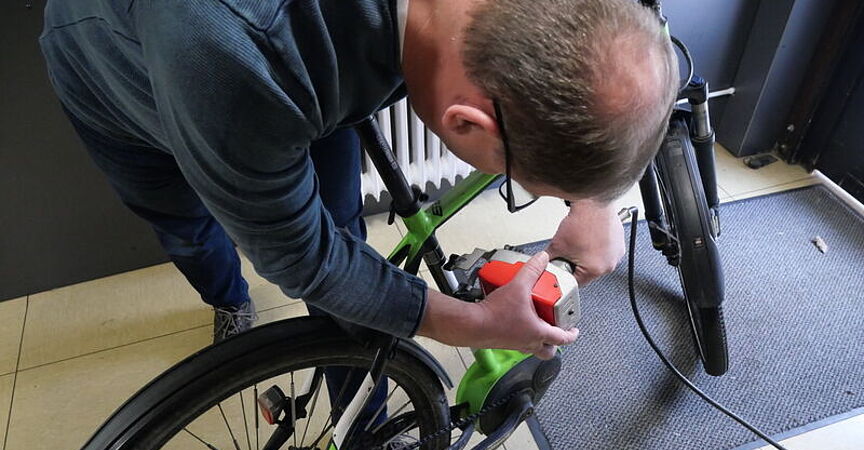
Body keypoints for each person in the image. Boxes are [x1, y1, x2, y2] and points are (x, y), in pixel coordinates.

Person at [40, 0, 677, 354]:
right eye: (523, 185)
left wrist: (595, 200)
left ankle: (364, 420)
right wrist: (471, 325)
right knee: (190, 229)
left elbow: (625, 30)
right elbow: (306, 259)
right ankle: (226, 299)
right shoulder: (241, 59)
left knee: (345, 239)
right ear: (466, 124)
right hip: (118, 85)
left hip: (275, 71)